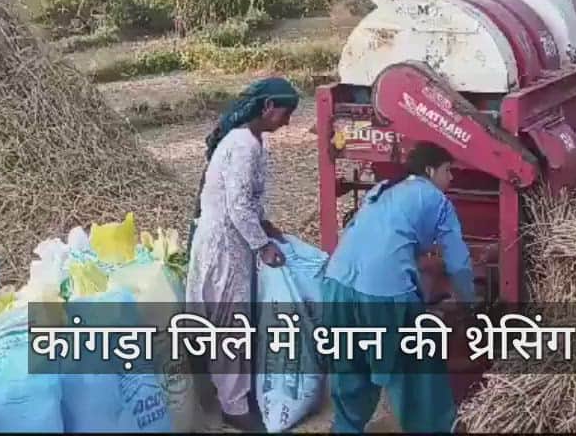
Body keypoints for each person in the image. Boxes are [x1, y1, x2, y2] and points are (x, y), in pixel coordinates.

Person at [321, 142, 476, 434]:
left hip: (337, 282)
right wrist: (468, 304)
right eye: (448, 171)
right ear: (431, 170)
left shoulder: (381, 189)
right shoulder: (436, 199)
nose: (451, 178)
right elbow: (459, 263)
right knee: (416, 368)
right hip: (383, 294)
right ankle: (437, 429)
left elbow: (376, 241)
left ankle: (345, 428)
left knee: (350, 366)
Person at [185, 77, 299, 432]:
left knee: (219, 322)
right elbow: (237, 206)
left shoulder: (246, 139)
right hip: (225, 247)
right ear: (267, 107)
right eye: (286, 113)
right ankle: (234, 407)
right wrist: (262, 246)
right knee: (230, 328)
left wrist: (266, 226)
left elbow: (243, 200)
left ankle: (224, 393)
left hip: (221, 241)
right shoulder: (245, 145)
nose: (288, 122)